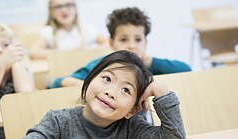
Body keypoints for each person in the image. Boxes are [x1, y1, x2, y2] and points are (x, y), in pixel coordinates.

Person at [25, 50, 186, 138]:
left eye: (126, 90)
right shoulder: (58, 122)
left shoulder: (133, 129)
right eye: (107, 79)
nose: (110, 92)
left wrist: (161, 91)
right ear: (89, 79)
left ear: (132, 110)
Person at [50, 7, 191, 88]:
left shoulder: (150, 65)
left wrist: (150, 62)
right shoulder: (103, 64)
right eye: (123, 39)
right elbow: (57, 83)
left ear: (145, 42)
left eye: (138, 39)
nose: (131, 45)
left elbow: (186, 70)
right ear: (111, 43)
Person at [29, 0, 109, 60]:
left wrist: (88, 51)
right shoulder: (48, 32)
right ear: (51, 13)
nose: (64, 10)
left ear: (75, 9)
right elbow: (33, 52)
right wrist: (67, 53)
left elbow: (109, 44)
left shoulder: (87, 30)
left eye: (68, 5)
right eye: (58, 7)